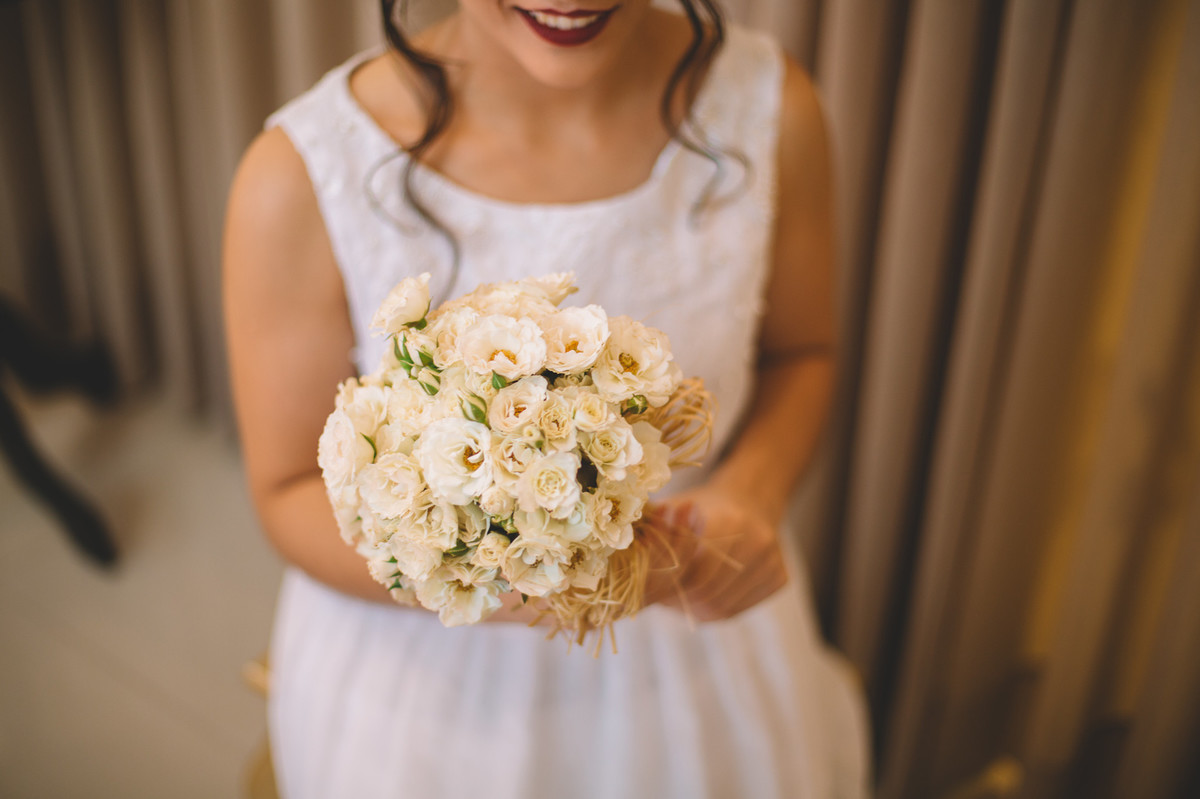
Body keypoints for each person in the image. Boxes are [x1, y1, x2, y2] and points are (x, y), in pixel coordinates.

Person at [223, 1, 871, 796]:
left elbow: (802, 353)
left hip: (701, 631)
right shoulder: (299, 171)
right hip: (430, 684)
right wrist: (526, 582)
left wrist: (752, 492)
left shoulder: (774, 109)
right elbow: (287, 487)